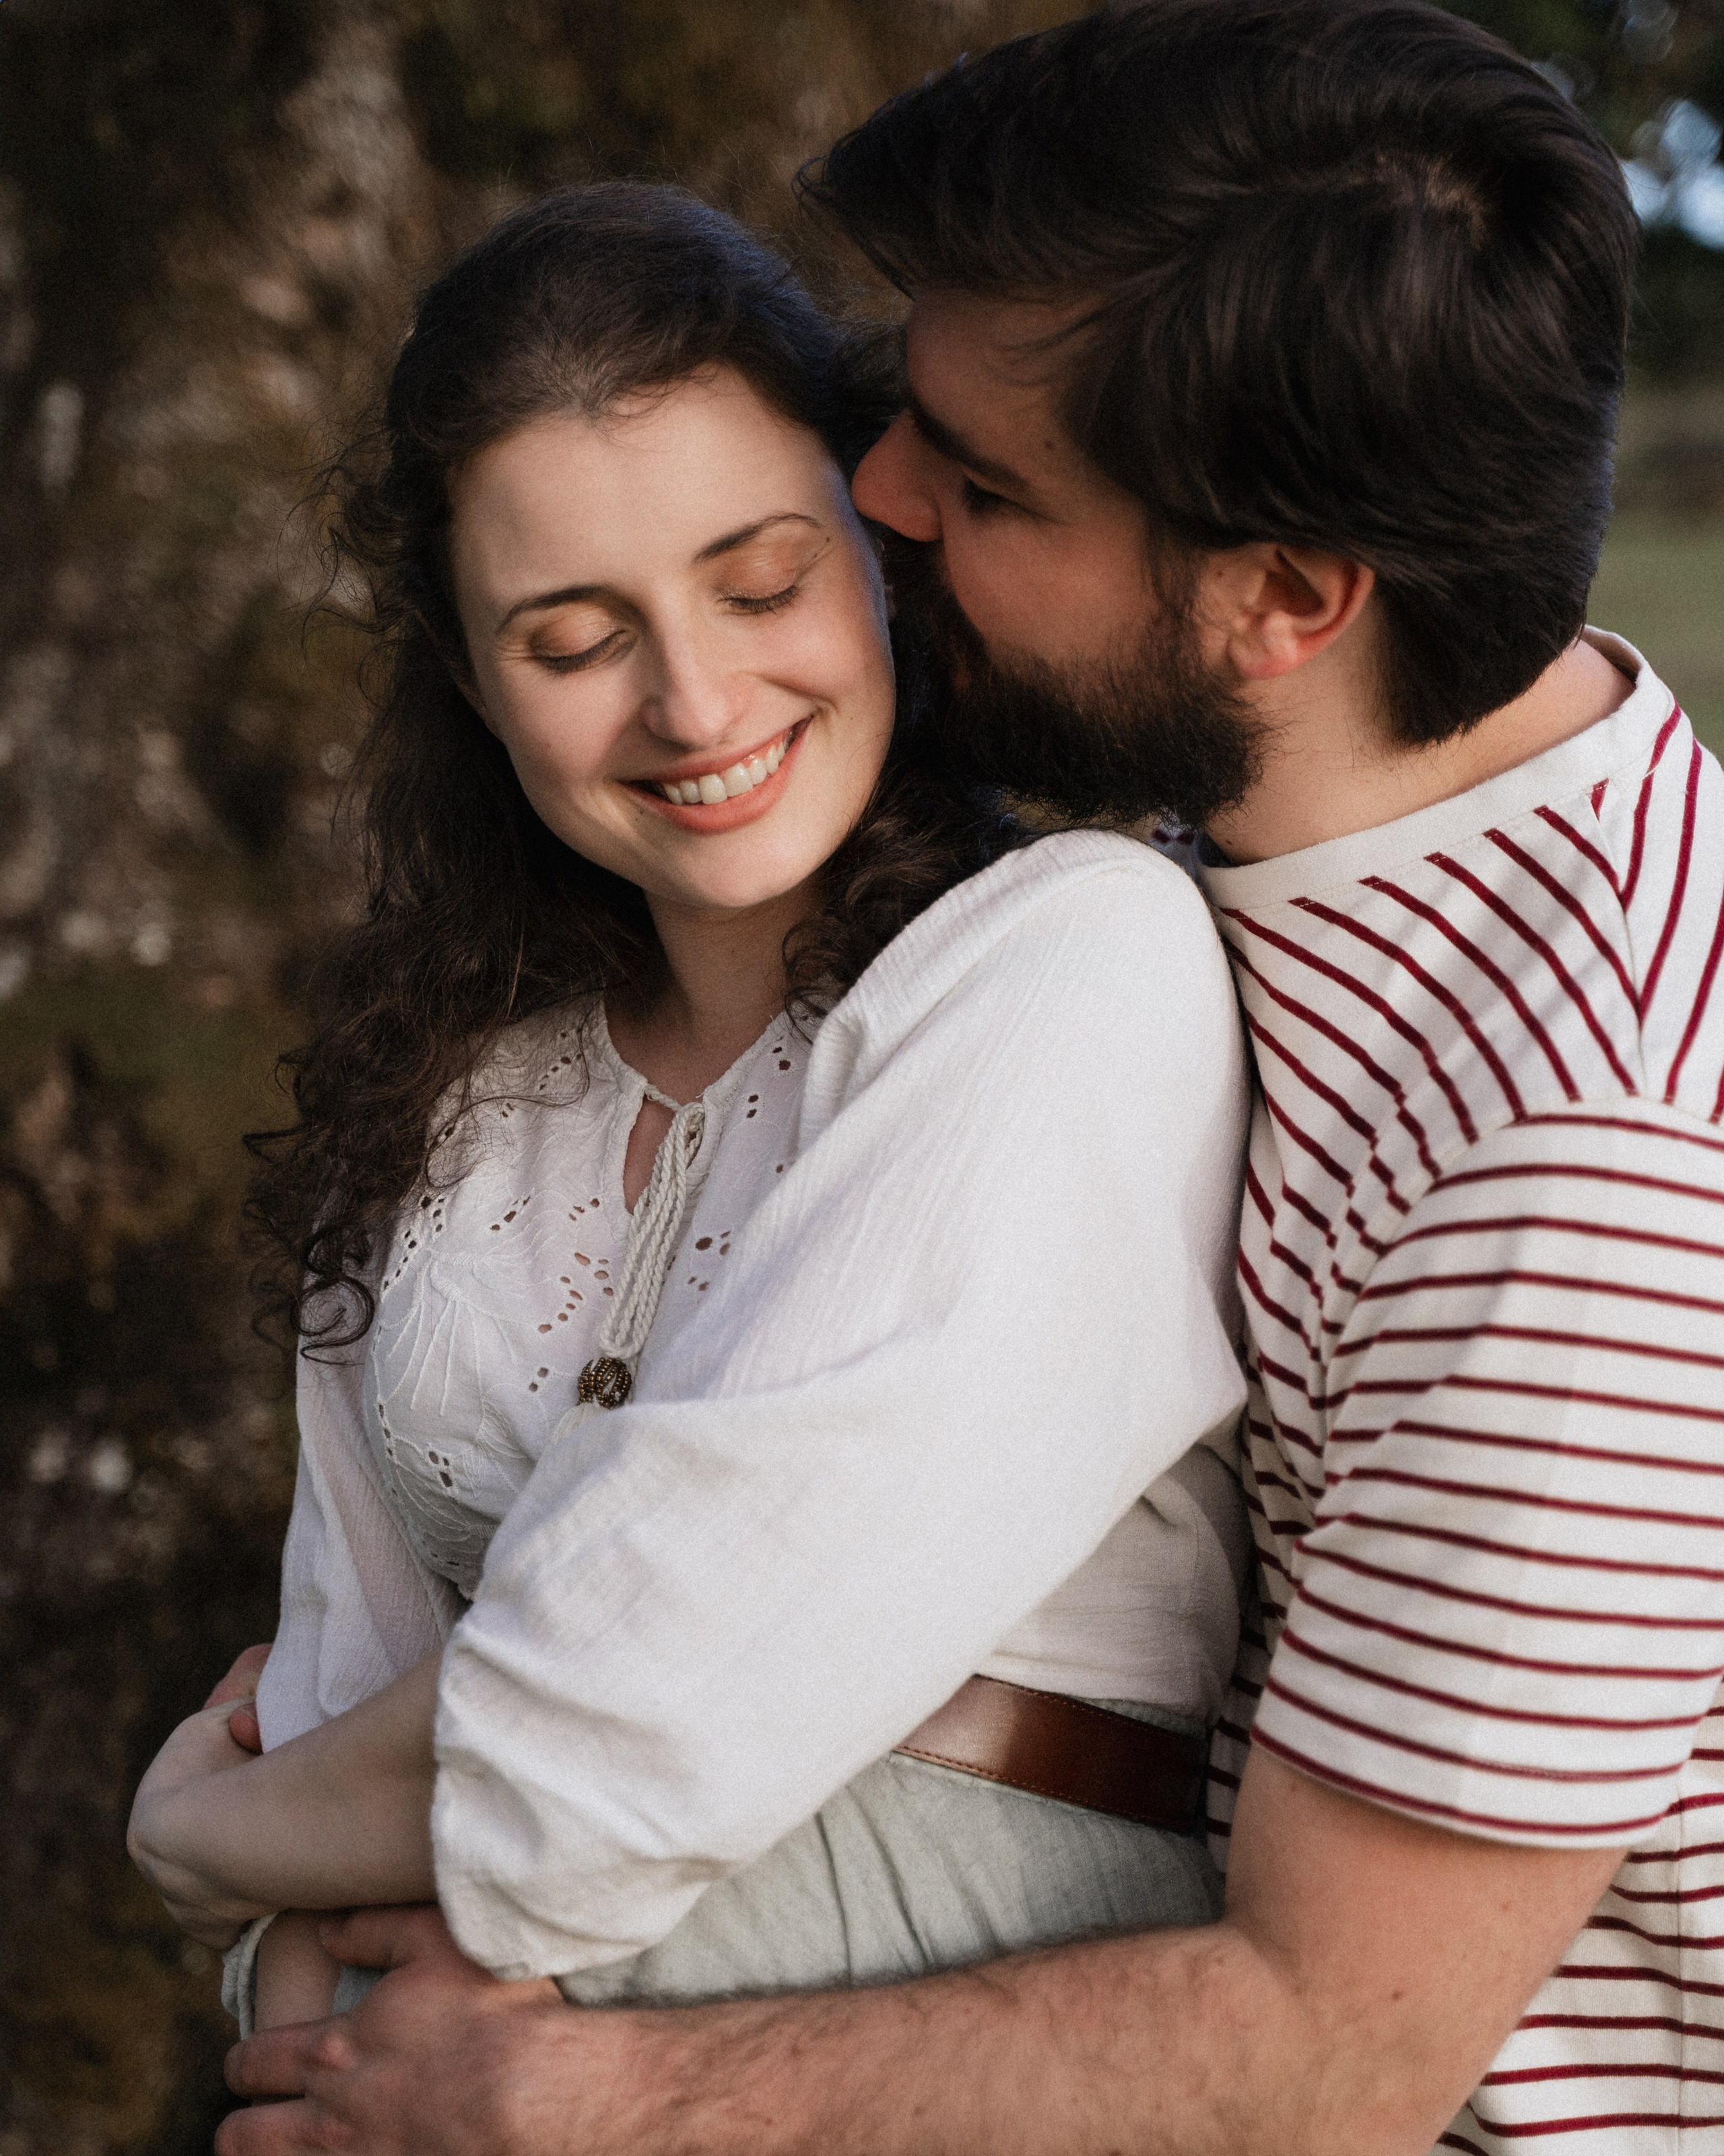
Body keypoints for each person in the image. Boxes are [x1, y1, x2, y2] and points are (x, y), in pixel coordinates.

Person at [211, 3, 1724, 2152]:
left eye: (986, 485)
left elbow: (1334, 2052)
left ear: (1286, 598)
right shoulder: (1273, 850)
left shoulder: (1580, 1155)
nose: (883, 496)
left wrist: (579, 2099)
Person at [126, 183, 1255, 2032]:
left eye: (761, 584)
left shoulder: (1075, 965)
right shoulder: (441, 1110)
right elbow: (330, 1684)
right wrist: (290, 1982)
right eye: (574, 642)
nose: (696, 699)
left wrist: (201, 1841)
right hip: (437, 2042)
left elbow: (659, 1698)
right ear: (473, 681)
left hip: (954, 2015)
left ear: (880, 546)